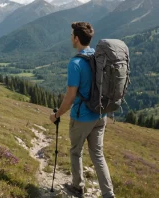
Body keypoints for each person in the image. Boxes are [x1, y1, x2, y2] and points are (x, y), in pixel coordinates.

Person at [49, 22, 115, 198]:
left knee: (75, 151)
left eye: (72, 35)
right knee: (98, 155)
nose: (71, 38)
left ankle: (77, 187)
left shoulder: (76, 63)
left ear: (76, 38)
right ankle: (109, 194)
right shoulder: (99, 57)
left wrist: (56, 115)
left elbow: (70, 97)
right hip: (101, 114)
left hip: (83, 116)